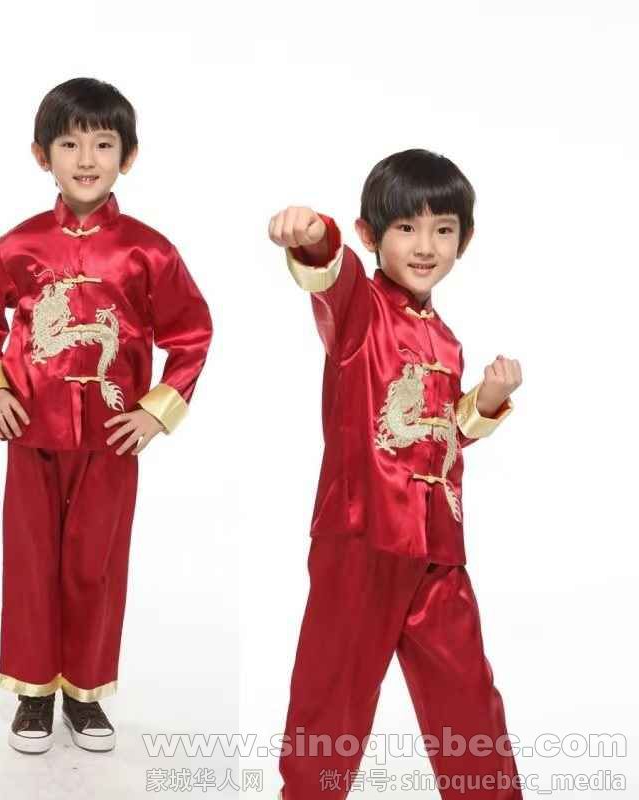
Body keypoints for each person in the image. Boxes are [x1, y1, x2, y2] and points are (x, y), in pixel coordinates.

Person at [0, 77, 212, 754]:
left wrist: (157, 410)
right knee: (32, 561)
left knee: (94, 564)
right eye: (69, 144)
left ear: (129, 155)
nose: (87, 158)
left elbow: (192, 333)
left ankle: (85, 693)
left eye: (103, 143)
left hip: (111, 438)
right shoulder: (20, 245)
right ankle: (34, 692)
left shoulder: (148, 251)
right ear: (42, 155)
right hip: (32, 432)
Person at [268, 148, 523, 799]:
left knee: (467, 697)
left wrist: (486, 403)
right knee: (335, 695)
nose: (425, 245)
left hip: (438, 547)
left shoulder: (447, 340)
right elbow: (329, 271)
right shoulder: (360, 311)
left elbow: (442, 435)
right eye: (407, 227)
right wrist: (312, 234)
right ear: (369, 233)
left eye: (443, 229)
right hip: (362, 535)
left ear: (465, 239)